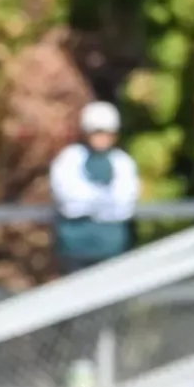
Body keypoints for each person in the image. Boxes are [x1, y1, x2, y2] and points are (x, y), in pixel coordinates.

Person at [50, 101, 138, 275]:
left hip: (111, 248)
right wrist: (104, 201)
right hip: (74, 248)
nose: (102, 137)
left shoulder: (123, 162)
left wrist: (91, 202)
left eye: (107, 132)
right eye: (97, 132)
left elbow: (124, 206)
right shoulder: (69, 159)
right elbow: (70, 203)